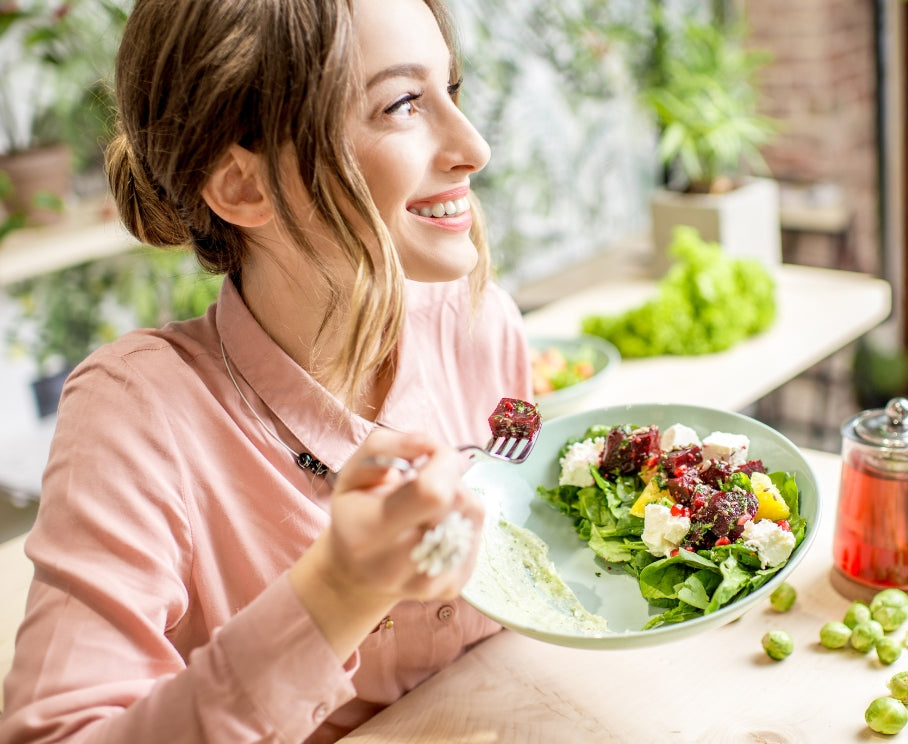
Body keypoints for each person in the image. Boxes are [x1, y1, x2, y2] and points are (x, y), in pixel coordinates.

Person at [0, 0, 531, 741]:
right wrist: (340, 589)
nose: (474, 147)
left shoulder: (478, 321)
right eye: (403, 103)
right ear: (243, 186)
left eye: (453, 90)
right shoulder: (135, 414)